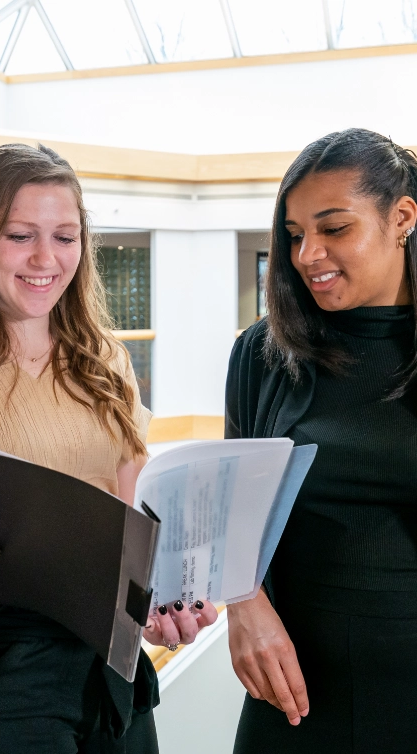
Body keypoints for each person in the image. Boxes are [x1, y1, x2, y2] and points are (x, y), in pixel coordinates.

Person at [0, 142, 217, 753]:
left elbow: (137, 507)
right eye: (20, 235)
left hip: (109, 665)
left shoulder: (104, 362)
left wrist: (169, 592)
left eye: (65, 237)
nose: (46, 258)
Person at [226, 128, 417, 753]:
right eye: (295, 234)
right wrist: (243, 605)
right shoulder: (262, 353)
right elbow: (227, 512)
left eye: (334, 229)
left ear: (402, 218)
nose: (309, 254)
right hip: (290, 692)